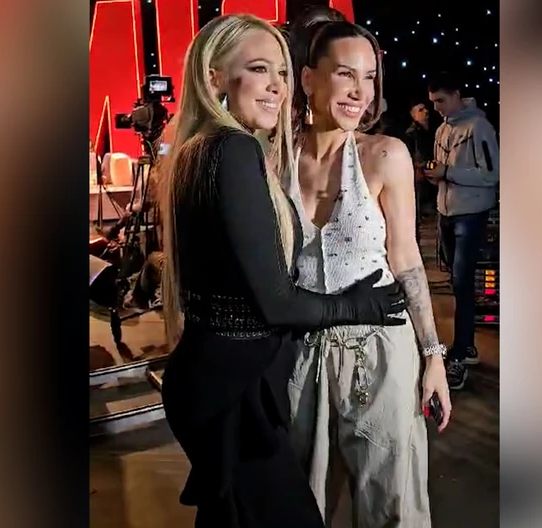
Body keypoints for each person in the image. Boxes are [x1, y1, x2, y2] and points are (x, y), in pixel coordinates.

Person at [157, 14, 407, 528]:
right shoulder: (233, 150)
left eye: (282, 71)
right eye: (258, 69)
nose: (277, 85)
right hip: (228, 391)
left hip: (222, 381)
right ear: (214, 78)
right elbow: (275, 303)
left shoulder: (201, 149)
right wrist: (358, 304)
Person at [286, 9, 451, 526]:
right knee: (301, 500)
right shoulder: (274, 159)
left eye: (370, 77)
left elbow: (406, 257)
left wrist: (433, 356)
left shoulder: (385, 155)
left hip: (380, 349)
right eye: (345, 74)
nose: (360, 91)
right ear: (308, 79)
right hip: (301, 353)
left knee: (390, 502)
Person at [424, 72, 500, 390]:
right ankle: (464, 347)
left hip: (470, 214)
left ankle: (460, 352)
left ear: (456, 95)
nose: (437, 107)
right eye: (433, 102)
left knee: (463, 283)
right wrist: (435, 174)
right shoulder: (443, 129)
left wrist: (449, 172)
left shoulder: (478, 127)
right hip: (447, 212)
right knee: (457, 283)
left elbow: (492, 173)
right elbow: (443, 169)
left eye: (441, 100)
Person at [404, 100, 435, 243]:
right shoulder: (412, 134)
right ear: (413, 115)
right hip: (420, 176)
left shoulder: (430, 131)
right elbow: (411, 156)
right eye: (420, 110)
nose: (425, 112)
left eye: (425, 109)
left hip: (430, 175)